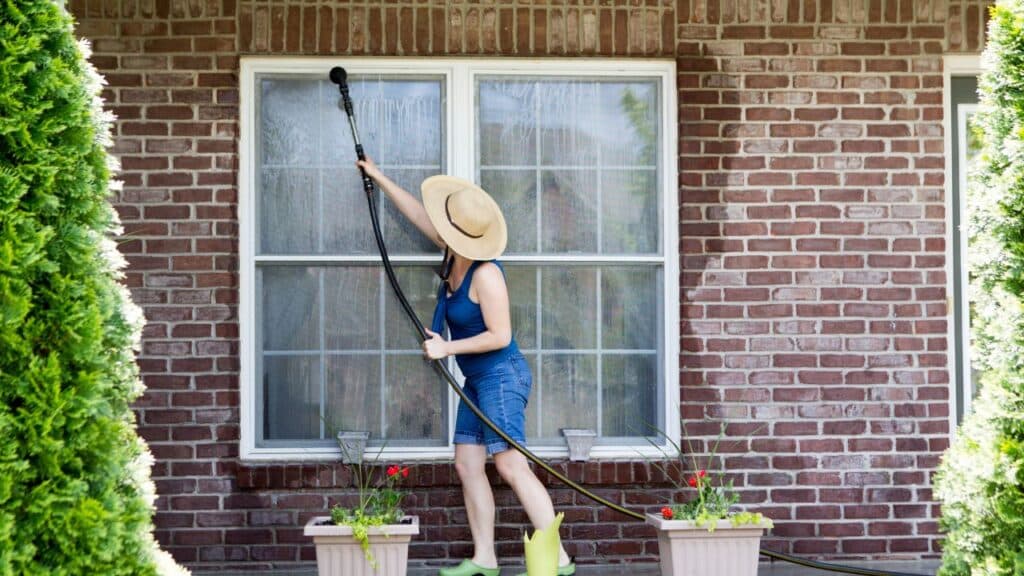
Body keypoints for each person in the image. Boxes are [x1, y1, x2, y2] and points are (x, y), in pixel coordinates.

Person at [357, 157, 575, 576]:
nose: (438, 226)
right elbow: (417, 214)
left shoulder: (485, 273)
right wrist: (378, 176)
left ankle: (558, 561)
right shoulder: (453, 251)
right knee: (467, 464)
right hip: (478, 379)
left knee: (510, 464)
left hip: (501, 376)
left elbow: (501, 336)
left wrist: (448, 348)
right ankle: (484, 558)